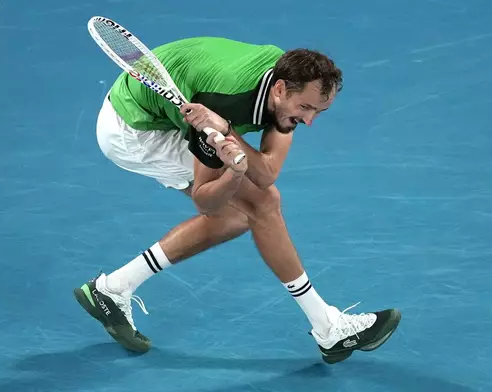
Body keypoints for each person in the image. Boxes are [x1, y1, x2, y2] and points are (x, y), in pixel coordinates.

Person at [74, 36, 401, 364]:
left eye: (319, 110)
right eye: (305, 108)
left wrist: (228, 134)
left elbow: (267, 170)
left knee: (240, 215)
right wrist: (231, 171)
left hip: (192, 107)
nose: (311, 120)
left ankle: (113, 289)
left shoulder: (287, 86)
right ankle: (328, 327)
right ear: (279, 90)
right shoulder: (222, 101)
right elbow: (206, 203)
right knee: (261, 204)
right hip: (134, 129)